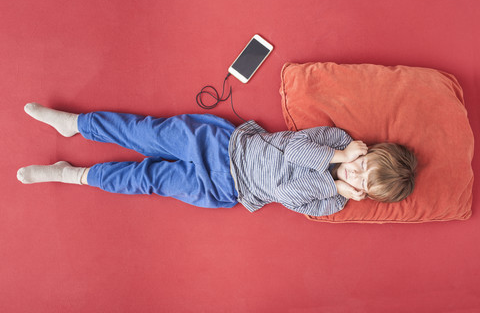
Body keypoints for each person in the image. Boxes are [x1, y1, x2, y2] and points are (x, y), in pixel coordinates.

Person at [17, 103, 417, 216]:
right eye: (362, 165)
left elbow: (285, 193)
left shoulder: (334, 198)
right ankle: (77, 124)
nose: (354, 173)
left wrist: (336, 185)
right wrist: (339, 155)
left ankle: (73, 175)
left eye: (361, 181)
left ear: (362, 193)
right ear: (367, 150)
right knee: (146, 133)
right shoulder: (338, 141)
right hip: (225, 146)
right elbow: (294, 147)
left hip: (227, 188)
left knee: (148, 179)